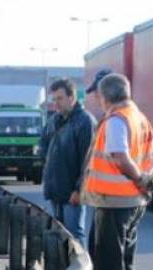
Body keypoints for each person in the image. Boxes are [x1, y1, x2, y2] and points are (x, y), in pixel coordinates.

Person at [78, 73, 153, 270]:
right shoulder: (139, 118)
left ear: (105, 97)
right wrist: (144, 180)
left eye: (99, 96)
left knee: (109, 258)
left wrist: (138, 178)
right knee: (126, 258)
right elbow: (152, 157)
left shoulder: (116, 120)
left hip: (114, 200)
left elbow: (119, 156)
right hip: (134, 201)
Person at [40, 78, 96, 247]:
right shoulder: (54, 121)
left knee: (75, 236)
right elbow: (43, 144)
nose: (55, 103)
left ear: (72, 98)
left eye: (60, 98)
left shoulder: (85, 121)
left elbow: (88, 161)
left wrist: (79, 189)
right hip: (56, 189)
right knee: (60, 235)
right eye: (54, 99)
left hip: (73, 192)